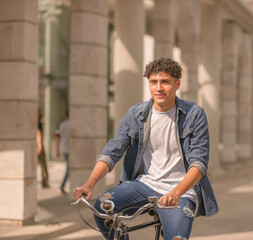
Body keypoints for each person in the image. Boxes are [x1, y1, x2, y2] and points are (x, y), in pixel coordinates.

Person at [73, 58, 218, 240]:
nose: (158, 88)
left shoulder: (194, 115)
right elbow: (112, 151)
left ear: (177, 84)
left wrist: (176, 193)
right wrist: (89, 184)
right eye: (153, 82)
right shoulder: (136, 114)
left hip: (180, 190)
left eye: (165, 82)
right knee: (102, 210)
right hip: (145, 184)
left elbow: (199, 163)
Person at [55, 110, 69, 193]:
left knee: (69, 168)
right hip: (70, 150)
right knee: (69, 169)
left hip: (64, 149)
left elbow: (57, 138)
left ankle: (63, 186)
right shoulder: (72, 125)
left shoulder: (61, 125)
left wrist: (57, 150)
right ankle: (62, 185)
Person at [37, 109, 50, 188]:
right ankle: (45, 181)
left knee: (42, 165)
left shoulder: (37, 122)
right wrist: (40, 146)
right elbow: (38, 133)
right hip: (39, 145)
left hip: (38, 145)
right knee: (43, 164)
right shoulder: (38, 122)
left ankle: (44, 181)